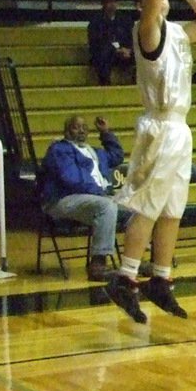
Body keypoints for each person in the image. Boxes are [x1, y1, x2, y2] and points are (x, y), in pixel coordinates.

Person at [107, 0, 196, 323]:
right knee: (150, 207)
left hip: (180, 128)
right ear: (144, 6)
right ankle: (124, 278)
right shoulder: (148, 33)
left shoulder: (177, 32)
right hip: (161, 125)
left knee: (173, 208)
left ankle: (161, 279)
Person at [40, 115, 126, 282]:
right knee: (106, 206)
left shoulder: (96, 152)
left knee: (137, 209)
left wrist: (106, 133)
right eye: (76, 127)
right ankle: (98, 265)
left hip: (94, 199)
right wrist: (101, 193)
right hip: (63, 199)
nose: (81, 130)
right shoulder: (59, 150)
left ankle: (134, 261)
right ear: (66, 131)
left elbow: (117, 156)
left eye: (84, 127)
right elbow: (71, 179)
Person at [87, 0, 134, 85]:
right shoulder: (95, 21)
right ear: (103, 4)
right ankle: (105, 83)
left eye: (114, 2)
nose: (112, 5)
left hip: (124, 51)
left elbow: (131, 37)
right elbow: (95, 42)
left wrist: (129, 50)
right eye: (109, 2)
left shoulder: (125, 20)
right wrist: (115, 50)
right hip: (106, 53)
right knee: (103, 55)